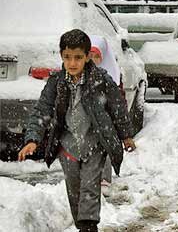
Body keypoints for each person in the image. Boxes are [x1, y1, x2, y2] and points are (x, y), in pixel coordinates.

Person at [17, 29, 136, 232]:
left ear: (88, 56)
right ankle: (82, 223)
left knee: (90, 187)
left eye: (78, 58)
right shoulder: (56, 83)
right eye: (68, 58)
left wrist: (125, 136)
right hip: (68, 146)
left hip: (94, 144)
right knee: (74, 190)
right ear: (62, 56)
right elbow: (42, 110)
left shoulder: (101, 81)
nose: (72, 63)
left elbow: (117, 108)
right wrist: (32, 139)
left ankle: (88, 227)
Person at [88, 35, 122, 190]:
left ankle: (104, 178)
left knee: (105, 149)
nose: (93, 59)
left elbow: (117, 102)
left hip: (106, 122)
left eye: (97, 56)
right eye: (90, 55)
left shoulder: (108, 76)